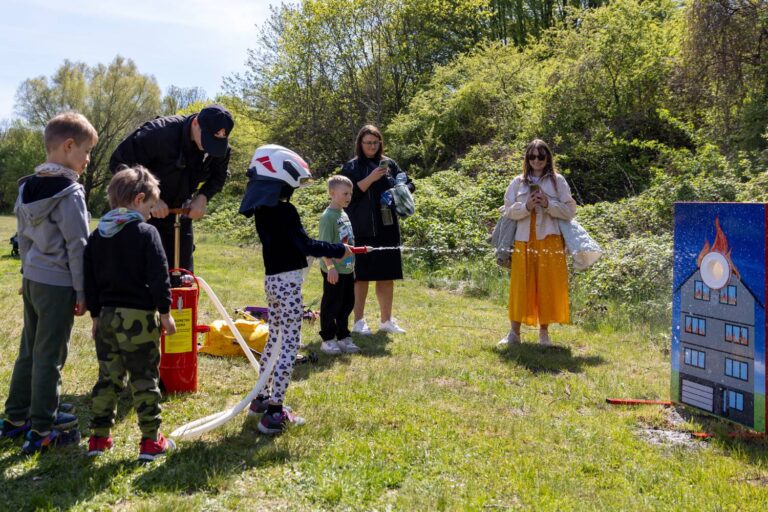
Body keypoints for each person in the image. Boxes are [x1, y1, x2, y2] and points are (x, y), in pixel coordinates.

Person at [239, 145, 353, 434]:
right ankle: (275, 413)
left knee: (274, 339)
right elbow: (305, 245)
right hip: (288, 285)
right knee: (288, 346)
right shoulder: (285, 211)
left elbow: (298, 244)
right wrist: (338, 249)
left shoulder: (263, 210)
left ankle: (261, 399)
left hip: (273, 283)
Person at [0, 112, 96, 454]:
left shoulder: (28, 186)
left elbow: (22, 238)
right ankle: (43, 426)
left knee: (30, 347)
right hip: (58, 285)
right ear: (68, 146)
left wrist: (26, 274)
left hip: (34, 279)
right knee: (50, 354)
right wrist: (83, 291)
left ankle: (15, 417)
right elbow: (78, 245)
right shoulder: (70, 192)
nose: (88, 159)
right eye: (86, 151)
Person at [83, 166, 177, 461]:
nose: (150, 213)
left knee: (107, 379)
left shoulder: (97, 236)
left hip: (108, 317)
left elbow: (91, 279)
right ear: (139, 200)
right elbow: (159, 275)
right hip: (139, 319)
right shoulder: (146, 233)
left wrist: (96, 316)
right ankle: (151, 441)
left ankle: (98, 439)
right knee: (144, 378)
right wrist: (165, 313)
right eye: (149, 207)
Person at [109, 104, 234, 271]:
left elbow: (219, 176)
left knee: (183, 276)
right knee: (145, 273)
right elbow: (119, 163)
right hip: (143, 213)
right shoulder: (158, 133)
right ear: (196, 123)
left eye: (217, 141)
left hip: (181, 212)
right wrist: (150, 198)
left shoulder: (219, 149)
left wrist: (203, 197)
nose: (209, 147)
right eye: (207, 139)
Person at [498, 139, 577, 347]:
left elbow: (570, 211)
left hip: (550, 240)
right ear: (527, 158)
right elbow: (508, 211)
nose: (536, 160)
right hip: (523, 240)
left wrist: (548, 203)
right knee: (520, 286)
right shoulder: (518, 182)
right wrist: (526, 206)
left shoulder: (557, 181)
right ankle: (514, 334)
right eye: (532, 156)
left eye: (541, 156)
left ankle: (544, 334)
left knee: (547, 286)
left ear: (547, 158)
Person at [340, 125, 414, 335]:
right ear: (360, 144)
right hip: (362, 228)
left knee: (386, 274)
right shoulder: (352, 167)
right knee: (361, 276)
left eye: (375, 142)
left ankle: (386, 320)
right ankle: (359, 321)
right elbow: (348, 195)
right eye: (368, 143)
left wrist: (398, 189)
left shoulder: (390, 163)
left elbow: (410, 184)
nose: (372, 146)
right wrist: (372, 177)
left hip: (387, 225)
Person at [318, 175, 361, 355]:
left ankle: (343, 336)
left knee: (346, 303)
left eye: (350, 193)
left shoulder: (343, 213)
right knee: (331, 303)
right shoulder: (328, 217)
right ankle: (328, 339)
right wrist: (330, 268)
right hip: (333, 269)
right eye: (345, 193)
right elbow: (323, 245)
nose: (348, 197)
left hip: (347, 268)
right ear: (332, 193)